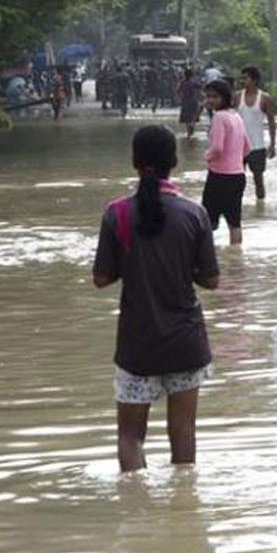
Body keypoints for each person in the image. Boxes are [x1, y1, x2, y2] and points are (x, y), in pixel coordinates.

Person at [92, 125, 220, 472]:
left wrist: (133, 265)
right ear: (174, 162)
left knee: (130, 437)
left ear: (134, 161)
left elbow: (101, 278)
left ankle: (136, 513)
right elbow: (212, 279)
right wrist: (179, 268)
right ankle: (183, 515)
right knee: (183, 434)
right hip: (186, 342)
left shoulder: (116, 214)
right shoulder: (195, 214)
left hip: (138, 344)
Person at [201, 79, 252, 245]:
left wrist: (206, 156)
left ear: (224, 97)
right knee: (235, 223)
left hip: (219, 177)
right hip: (238, 176)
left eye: (215, 97)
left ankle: (206, 259)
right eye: (208, 96)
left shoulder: (219, 117)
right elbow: (247, 147)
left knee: (207, 222)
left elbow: (217, 148)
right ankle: (236, 261)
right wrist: (236, 162)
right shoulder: (236, 116)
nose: (210, 100)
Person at [233, 66, 277, 200]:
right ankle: (236, 206)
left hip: (257, 146)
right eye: (242, 78)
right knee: (236, 179)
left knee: (258, 180)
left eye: (245, 78)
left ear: (254, 80)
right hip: (238, 146)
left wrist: (273, 144)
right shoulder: (236, 97)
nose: (242, 81)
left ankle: (260, 207)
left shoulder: (265, 98)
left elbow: (271, 122)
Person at [177, 68, 203, 139]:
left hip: (185, 101)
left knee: (186, 117)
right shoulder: (193, 82)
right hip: (193, 100)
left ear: (184, 75)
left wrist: (180, 97)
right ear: (192, 75)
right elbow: (201, 87)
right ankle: (192, 126)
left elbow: (178, 90)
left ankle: (189, 132)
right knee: (193, 115)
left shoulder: (182, 83)